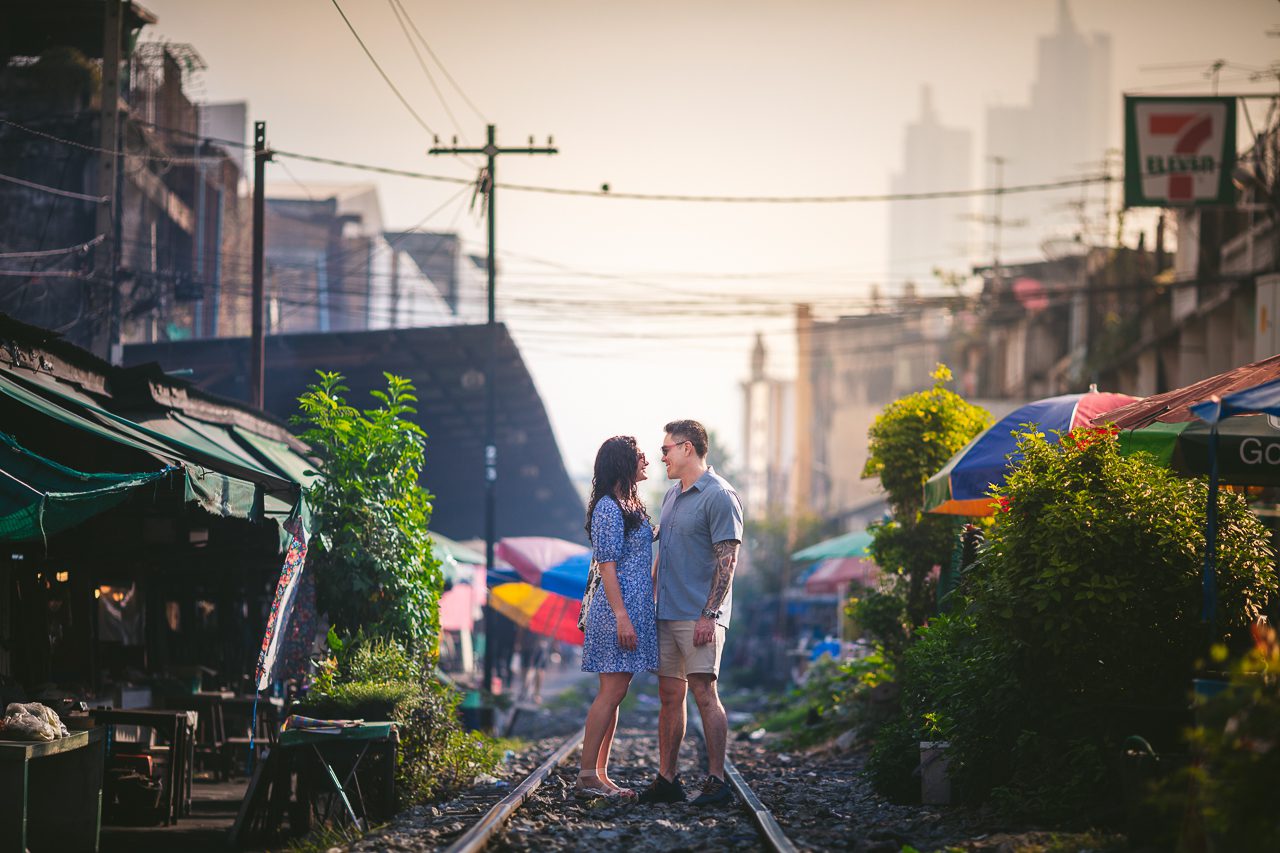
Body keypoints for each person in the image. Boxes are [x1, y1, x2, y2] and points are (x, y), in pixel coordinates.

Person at [640, 419, 743, 807]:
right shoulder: (671, 496)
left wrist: (709, 613)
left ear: (687, 448)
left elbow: (728, 559)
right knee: (670, 695)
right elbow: (663, 552)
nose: (661, 456)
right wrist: (648, 599)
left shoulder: (719, 495)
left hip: (700, 615)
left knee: (704, 691)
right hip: (667, 613)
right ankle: (668, 779)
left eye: (665, 449)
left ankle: (716, 781)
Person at [577, 435, 658, 800]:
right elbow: (607, 567)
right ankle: (586, 775)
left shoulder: (630, 504)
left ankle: (600, 774)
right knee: (611, 692)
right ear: (623, 462)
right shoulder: (610, 508)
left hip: (630, 609)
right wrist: (622, 617)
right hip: (616, 612)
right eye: (640, 456)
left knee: (616, 692)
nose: (647, 461)